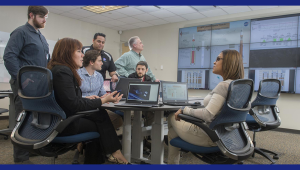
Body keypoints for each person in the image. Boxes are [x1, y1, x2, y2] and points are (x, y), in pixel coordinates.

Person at [47, 38, 129, 164]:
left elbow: (67, 99)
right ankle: (113, 154)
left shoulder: (58, 70)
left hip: (58, 119)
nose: (82, 55)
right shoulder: (63, 71)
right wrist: (103, 100)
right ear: (67, 52)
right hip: (63, 124)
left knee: (99, 117)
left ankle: (103, 157)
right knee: (100, 120)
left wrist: (89, 99)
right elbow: (74, 104)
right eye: (79, 51)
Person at [167, 50, 244, 164]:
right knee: (173, 133)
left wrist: (184, 110)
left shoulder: (224, 85)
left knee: (171, 116)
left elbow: (208, 115)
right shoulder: (239, 85)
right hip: (227, 136)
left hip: (210, 136)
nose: (214, 62)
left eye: (218, 59)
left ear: (228, 62)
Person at [3, 6, 50, 163]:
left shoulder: (41, 37)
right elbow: (9, 56)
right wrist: (21, 78)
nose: (45, 20)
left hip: (40, 85)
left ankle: (30, 150)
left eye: (46, 17)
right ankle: (21, 159)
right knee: (22, 120)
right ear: (32, 15)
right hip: (25, 85)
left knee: (35, 120)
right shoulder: (20, 32)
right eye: (42, 17)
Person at [77, 50, 123, 130]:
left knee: (118, 120)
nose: (102, 63)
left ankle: (95, 139)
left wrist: (110, 98)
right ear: (91, 62)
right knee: (109, 120)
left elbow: (102, 94)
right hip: (81, 108)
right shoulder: (77, 75)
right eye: (99, 61)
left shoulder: (99, 76)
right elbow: (73, 97)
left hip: (95, 108)